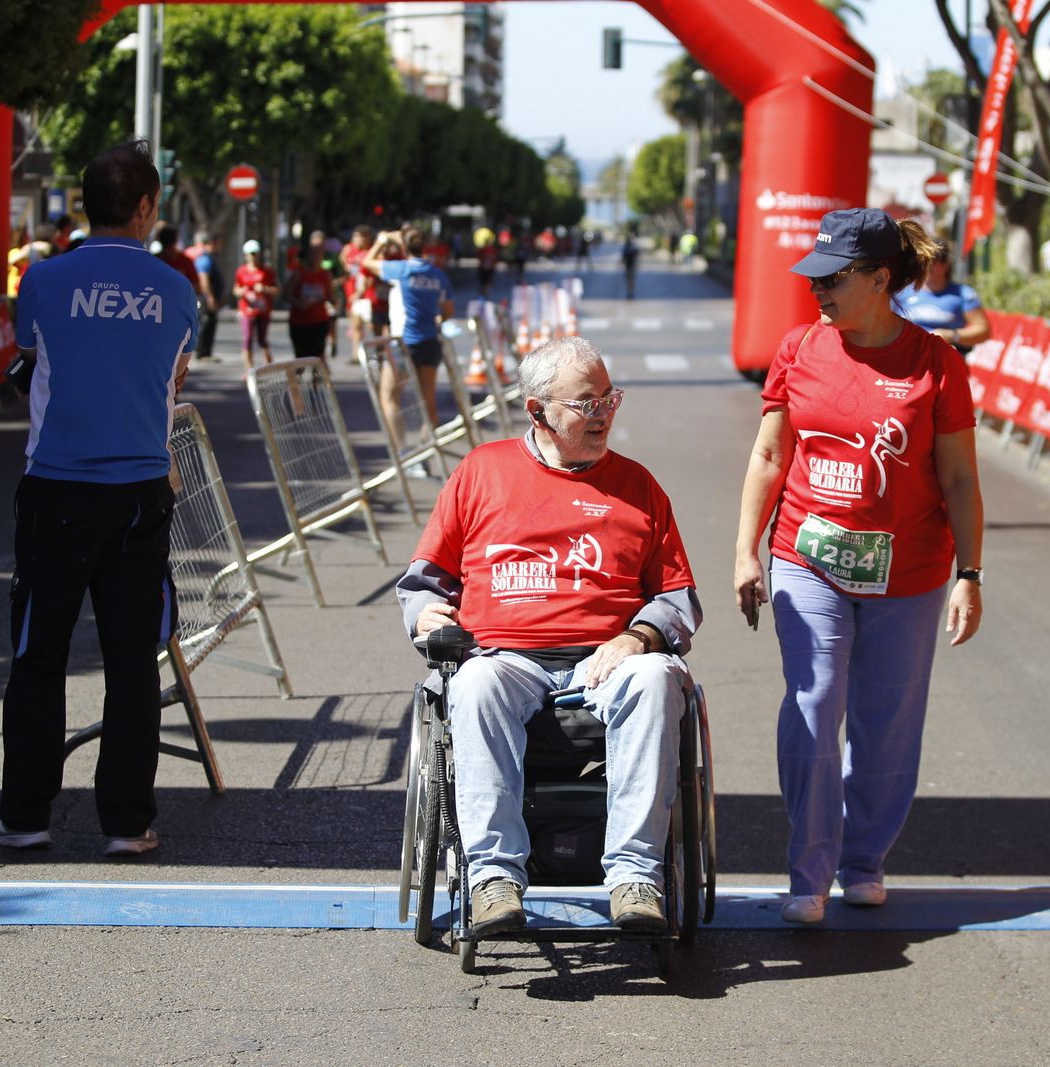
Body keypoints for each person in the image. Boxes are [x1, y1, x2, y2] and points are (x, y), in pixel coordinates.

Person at [397, 336, 701, 934]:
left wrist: (639, 637)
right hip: (504, 657)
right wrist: (428, 614)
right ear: (537, 410)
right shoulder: (482, 471)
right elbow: (425, 579)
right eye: (587, 404)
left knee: (659, 676)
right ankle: (492, 878)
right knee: (475, 683)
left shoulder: (638, 486)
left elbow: (678, 597)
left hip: (607, 659)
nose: (604, 415)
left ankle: (637, 877)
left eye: (609, 399)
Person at [732, 207, 985, 925]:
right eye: (815, 277)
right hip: (808, 558)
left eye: (834, 279)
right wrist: (746, 549)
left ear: (880, 279)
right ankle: (809, 867)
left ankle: (864, 857)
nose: (818, 291)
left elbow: (961, 480)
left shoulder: (937, 364)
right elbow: (771, 455)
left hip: (908, 573)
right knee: (813, 702)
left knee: (886, 723)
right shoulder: (800, 348)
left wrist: (971, 574)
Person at [0, 140, 197, 858]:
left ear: (83, 204)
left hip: (57, 491)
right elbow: (175, 380)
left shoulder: (42, 279)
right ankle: (128, 823)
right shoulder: (174, 290)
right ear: (146, 208)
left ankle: (24, 815)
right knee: (131, 661)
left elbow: (29, 364)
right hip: (139, 493)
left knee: (38, 654)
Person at [363, 229, 455, 432]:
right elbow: (448, 309)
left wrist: (381, 241)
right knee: (428, 400)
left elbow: (367, 262)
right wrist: (438, 320)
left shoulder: (402, 270)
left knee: (389, 397)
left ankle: (403, 453)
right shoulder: (437, 274)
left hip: (403, 343)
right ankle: (428, 449)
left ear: (404, 248)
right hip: (430, 341)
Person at [895, 237, 991, 353]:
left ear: (946, 265)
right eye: (923, 260)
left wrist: (952, 335)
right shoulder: (901, 292)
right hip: (906, 357)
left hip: (944, 360)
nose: (928, 266)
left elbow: (984, 330)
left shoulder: (963, 294)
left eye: (934, 261)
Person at [286, 230, 334, 362]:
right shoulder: (299, 273)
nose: (316, 256)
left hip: (319, 321)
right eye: (313, 253)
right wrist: (300, 304)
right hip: (299, 322)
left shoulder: (325, 274)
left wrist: (324, 300)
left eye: (319, 253)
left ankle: (315, 382)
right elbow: (287, 294)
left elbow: (331, 297)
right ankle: (300, 382)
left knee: (317, 358)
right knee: (301, 358)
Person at [233, 238, 276, 369]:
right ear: (246, 255)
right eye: (250, 253)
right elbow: (235, 289)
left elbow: (277, 290)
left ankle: (269, 367)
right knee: (247, 339)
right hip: (247, 310)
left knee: (262, 340)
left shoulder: (267, 272)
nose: (253, 257)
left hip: (263, 310)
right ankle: (249, 370)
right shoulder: (241, 271)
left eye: (255, 253)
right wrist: (241, 291)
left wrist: (264, 289)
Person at [340, 226, 376, 358]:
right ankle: (356, 354)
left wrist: (359, 293)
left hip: (367, 295)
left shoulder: (371, 253)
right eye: (355, 236)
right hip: (351, 292)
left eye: (361, 237)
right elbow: (343, 261)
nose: (357, 240)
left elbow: (370, 277)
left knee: (372, 325)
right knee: (355, 324)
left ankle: (377, 352)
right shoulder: (348, 249)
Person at [187, 231, 222, 360]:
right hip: (204, 298)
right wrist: (210, 297)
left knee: (211, 323)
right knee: (205, 323)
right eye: (218, 243)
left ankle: (207, 352)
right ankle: (202, 352)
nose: (220, 246)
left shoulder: (211, 258)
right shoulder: (205, 259)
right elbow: (204, 278)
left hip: (207, 298)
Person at [620, 228, 639, 300]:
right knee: (629, 280)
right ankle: (630, 291)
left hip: (632, 265)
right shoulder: (627, 247)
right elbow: (623, 257)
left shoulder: (633, 247)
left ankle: (631, 291)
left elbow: (637, 257)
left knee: (631, 279)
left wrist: (637, 264)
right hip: (628, 266)